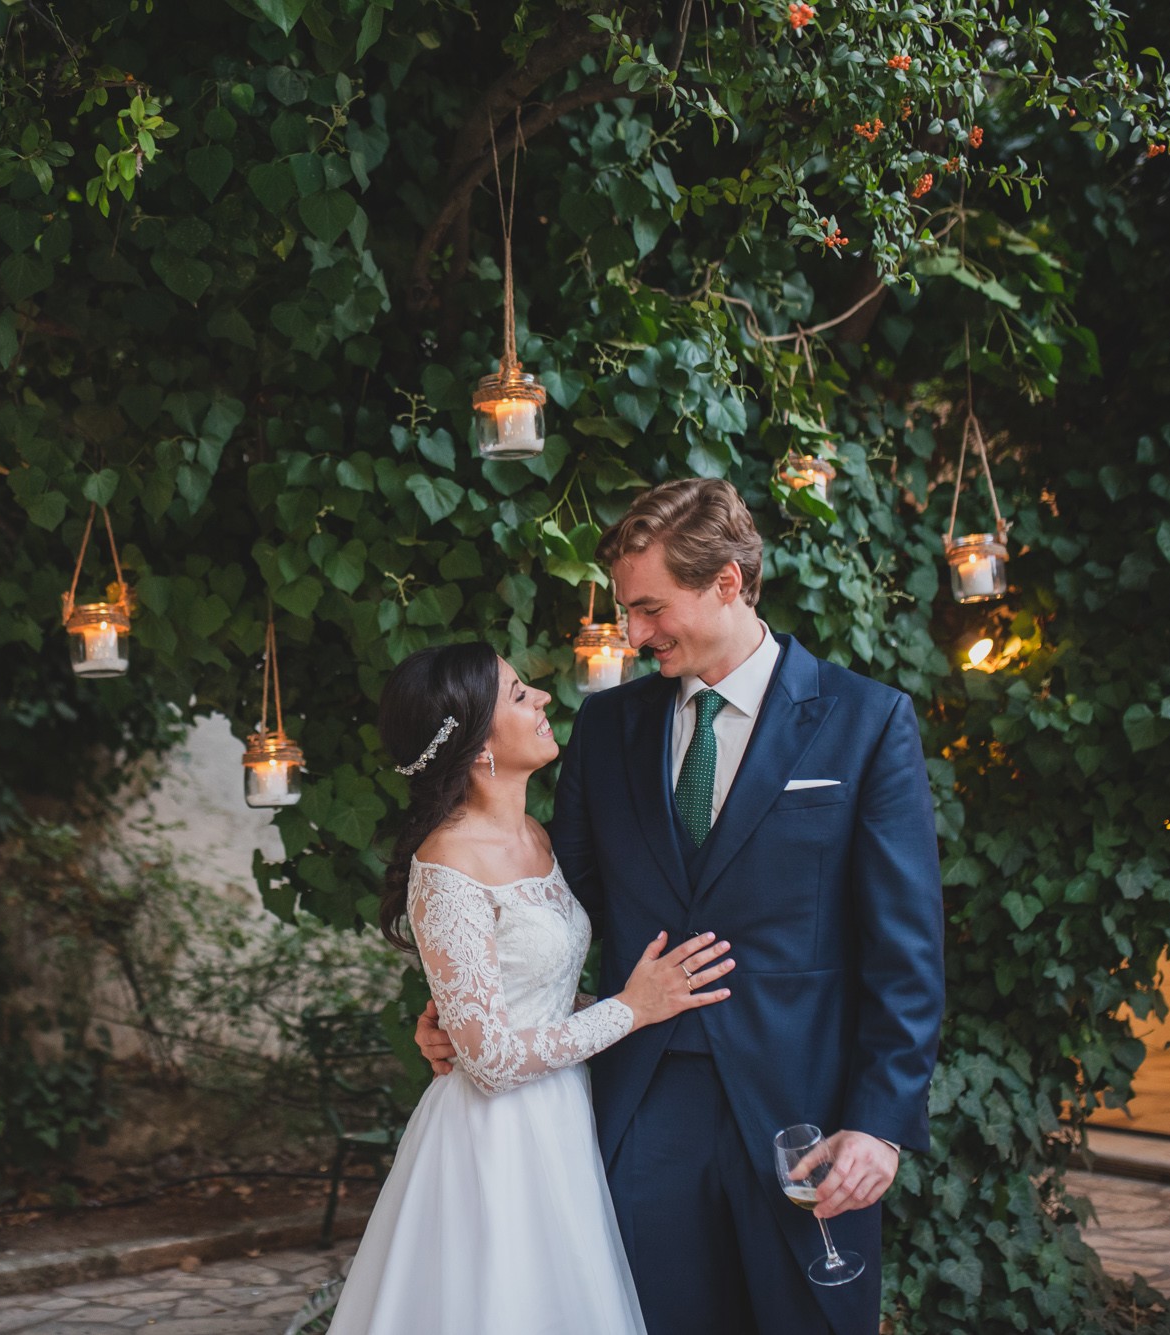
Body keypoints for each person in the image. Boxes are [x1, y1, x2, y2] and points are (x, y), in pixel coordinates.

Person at [415, 478, 946, 1335]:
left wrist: (879, 1126)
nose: (634, 634)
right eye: (628, 610)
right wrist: (465, 1000)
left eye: (651, 607)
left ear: (727, 584)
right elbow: (559, 911)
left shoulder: (866, 721)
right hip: (638, 1110)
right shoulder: (606, 728)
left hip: (800, 1116)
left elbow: (907, 953)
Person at [326, 642, 735, 1335]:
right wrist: (630, 1010)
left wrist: (621, 1007)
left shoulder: (540, 837)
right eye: (519, 695)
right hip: (494, 1140)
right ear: (478, 744)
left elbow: (530, 999)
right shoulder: (448, 862)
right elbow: (489, 1062)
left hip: (561, 1118)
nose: (544, 698)